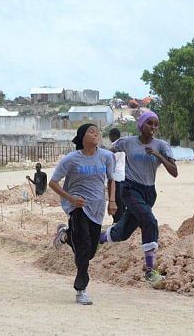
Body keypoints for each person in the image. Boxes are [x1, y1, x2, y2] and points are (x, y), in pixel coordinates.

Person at [99, 111, 178, 287]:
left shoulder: (162, 146)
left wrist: (158, 156)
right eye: (150, 123)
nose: (153, 127)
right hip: (130, 189)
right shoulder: (127, 142)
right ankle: (150, 271)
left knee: (123, 232)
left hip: (149, 192)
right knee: (149, 221)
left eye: (156, 124)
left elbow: (174, 172)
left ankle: (95, 239)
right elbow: (106, 154)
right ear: (141, 125)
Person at [49, 124, 117, 305]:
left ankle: (66, 235)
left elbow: (111, 180)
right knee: (84, 248)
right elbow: (53, 183)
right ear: (82, 136)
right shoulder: (71, 159)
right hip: (77, 208)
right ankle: (81, 289)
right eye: (91, 131)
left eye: (97, 131)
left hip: (97, 208)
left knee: (91, 250)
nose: (96, 134)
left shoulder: (106, 156)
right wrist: (71, 198)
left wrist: (112, 201)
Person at [109, 128, 126, 224]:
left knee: (116, 199)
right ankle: (121, 219)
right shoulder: (123, 145)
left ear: (113, 136)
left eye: (110, 136)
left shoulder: (116, 146)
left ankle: (117, 220)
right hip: (122, 175)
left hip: (116, 176)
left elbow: (110, 160)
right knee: (121, 199)